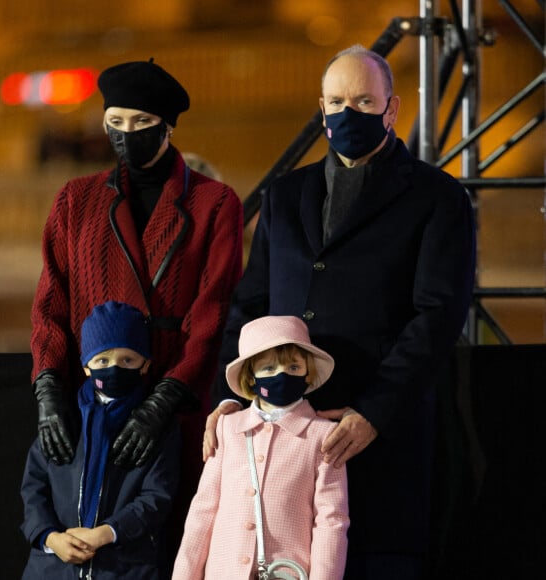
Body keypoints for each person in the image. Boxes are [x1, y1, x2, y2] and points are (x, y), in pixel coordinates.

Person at [206, 44, 476, 580]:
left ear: (392, 109)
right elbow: (250, 306)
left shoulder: (438, 198)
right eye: (335, 102)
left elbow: (438, 315)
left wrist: (374, 411)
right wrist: (227, 393)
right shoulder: (285, 196)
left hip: (377, 438)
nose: (346, 113)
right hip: (282, 440)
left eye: (362, 101)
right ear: (321, 108)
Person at [29, 58, 243, 560]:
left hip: (176, 399)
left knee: (169, 531)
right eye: (115, 123)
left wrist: (162, 405)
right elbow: (50, 306)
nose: (126, 135)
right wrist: (47, 393)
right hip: (92, 401)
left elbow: (212, 314)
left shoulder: (214, 203)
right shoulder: (73, 201)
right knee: (84, 533)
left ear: (168, 126)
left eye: (142, 123)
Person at [173, 315, 348, 579]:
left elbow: (331, 521)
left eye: (293, 367)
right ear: (251, 376)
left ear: (307, 371)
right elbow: (203, 510)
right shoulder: (227, 428)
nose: (281, 375)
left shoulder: (324, 435)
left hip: (287, 572)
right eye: (268, 368)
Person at [21, 301, 180, 580]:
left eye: (127, 360)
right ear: (86, 366)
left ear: (145, 365)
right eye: (102, 360)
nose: (114, 369)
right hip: (51, 569)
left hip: (126, 568)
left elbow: (157, 496)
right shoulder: (63, 417)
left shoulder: (160, 428)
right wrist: (50, 537)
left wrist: (107, 533)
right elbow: (34, 487)